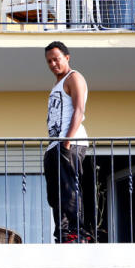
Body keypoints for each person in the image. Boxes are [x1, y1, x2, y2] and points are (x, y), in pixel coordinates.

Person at [43, 41, 90, 243]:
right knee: (55, 194)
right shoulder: (57, 84)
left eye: (57, 59)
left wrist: (67, 142)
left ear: (67, 58)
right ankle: (62, 234)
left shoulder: (74, 77)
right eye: (49, 61)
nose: (53, 64)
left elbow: (79, 110)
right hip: (55, 145)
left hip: (70, 142)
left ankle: (76, 233)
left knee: (70, 189)